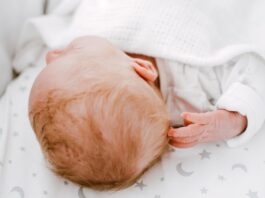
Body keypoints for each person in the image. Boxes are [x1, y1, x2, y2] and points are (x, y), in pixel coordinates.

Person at [29, 36, 265, 190]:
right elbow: (252, 69)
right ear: (143, 68)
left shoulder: (109, 48)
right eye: (70, 53)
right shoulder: (191, 91)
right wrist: (233, 118)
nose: (49, 55)